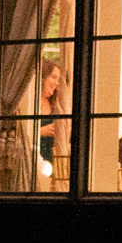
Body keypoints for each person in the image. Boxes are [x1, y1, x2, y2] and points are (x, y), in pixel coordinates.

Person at [37, 58, 70, 190]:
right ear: (42, 77)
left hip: (54, 164)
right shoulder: (30, 104)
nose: (56, 83)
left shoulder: (56, 107)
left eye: (58, 79)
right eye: (53, 77)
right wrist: (41, 131)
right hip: (37, 162)